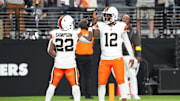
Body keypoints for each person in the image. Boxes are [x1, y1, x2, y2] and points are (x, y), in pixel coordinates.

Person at [45, 15, 93, 101]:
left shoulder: (54, 33)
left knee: (52, 85)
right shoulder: (75, 33)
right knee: (75, 85)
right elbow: (89, 40)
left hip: (58, 64)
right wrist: (89, 27)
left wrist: (59, 56)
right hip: (70, 64)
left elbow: (50, 50)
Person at [92, 6, 135, 101]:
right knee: (101, 83)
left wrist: (132, 56)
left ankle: (124, 98)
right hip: (104, 59)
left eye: (108, 16)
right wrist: (93, 22)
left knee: (121, 81)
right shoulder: (101, 25)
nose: (106, 18)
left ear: (114, 16)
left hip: (117, 58)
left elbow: (127, 42)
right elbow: (94, 34)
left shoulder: (121, 26)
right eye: (105, 16)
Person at [118, 15, 142, 100]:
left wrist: (138, 55)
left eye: (126, 19)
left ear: (129, 20)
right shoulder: (118, 29)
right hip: (120, 55)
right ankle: (126, 94)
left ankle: (134, 94)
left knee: (132, 74)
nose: (124, 20)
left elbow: (137, 44)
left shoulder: (132, 31)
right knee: (123, 76)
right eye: (123, 18)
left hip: (129, 56)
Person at [75, 19, 95, 99]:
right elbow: (92, 43)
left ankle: (75, 94)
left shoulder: (78, 33)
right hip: (88, 56)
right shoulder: (90, 34)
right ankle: (87, 95)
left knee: (77, 77)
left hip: (79, 56)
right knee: (87, 77)